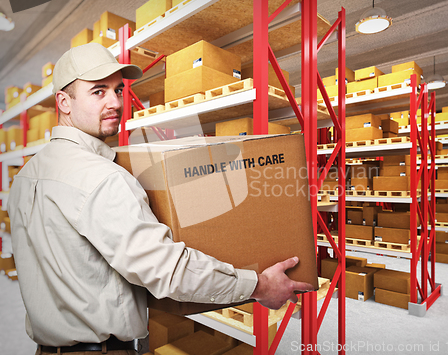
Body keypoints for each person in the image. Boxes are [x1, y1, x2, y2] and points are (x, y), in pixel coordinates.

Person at [7, 43, 313, 355]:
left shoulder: (25, 177)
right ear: (64, 102)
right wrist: (258, 285)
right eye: (98, 92)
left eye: (118, 90)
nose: (114, 102)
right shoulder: (102, 178)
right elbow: (166, 270)